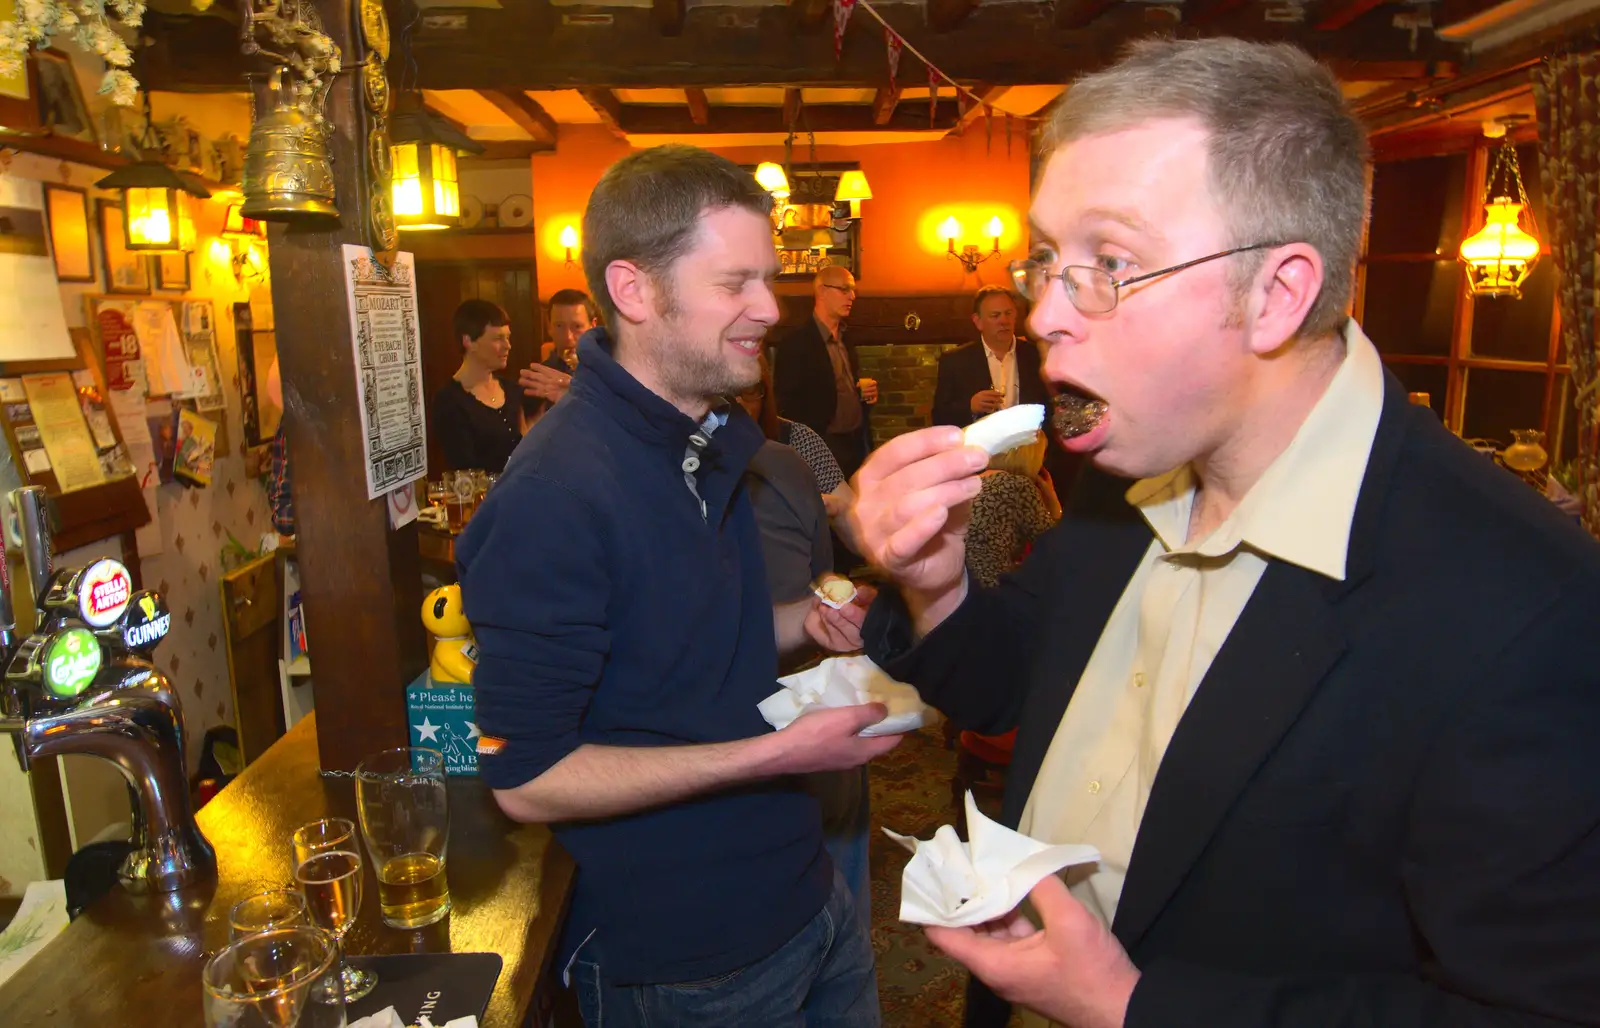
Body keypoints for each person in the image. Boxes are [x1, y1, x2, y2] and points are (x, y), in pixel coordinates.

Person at [847, 37, 1600, 1028]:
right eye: (1046, 262)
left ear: (1277, 294)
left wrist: (1130, 1004)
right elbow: (1002, 682)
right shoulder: (1126, 482)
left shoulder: (1528, 607)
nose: (1042, 313)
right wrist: (936, 582)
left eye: (1107, 263)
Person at [457, 143, 889, 1028]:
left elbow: (691, 645)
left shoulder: (706, 439)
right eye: (737, 284)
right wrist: (780, 754)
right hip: (688, 961)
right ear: (635, 290)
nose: (770, 308)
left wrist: (805, 618)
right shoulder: (553, 494)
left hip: (809, 897)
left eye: (768, 280)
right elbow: (526, 780)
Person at [771, 265, 878, 480]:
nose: (852, 296)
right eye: (844, 289)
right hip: (821, 442)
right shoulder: (796, 342)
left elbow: (840, 383)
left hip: (855, 442)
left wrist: (860, 390)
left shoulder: (846, 337)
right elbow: (786, 403)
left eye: (853, 290)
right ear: (821, 291)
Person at [931, 286, 1049, 428]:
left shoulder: (1037, 355)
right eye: (995, 315)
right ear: (978, 321)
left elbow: (1051, 408)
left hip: (1031, 446)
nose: (1004, 321)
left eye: (1008, 313)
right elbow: (939, 417)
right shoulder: (955, 362)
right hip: (979, 448)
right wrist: (970, 407)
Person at [432, 299, 523, 472]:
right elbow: (463, 470)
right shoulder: (449, 401)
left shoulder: (512, 390)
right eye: (498, 338)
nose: (508, 346)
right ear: (469, 341)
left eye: (508, 337)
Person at [964, 431, 1059, 590]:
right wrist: (1053, 502)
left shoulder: (974, 483)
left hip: (960, 587)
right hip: (990, 589)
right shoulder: (1018, 486)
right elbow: (1052, 546)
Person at [520, 288, 598, 419]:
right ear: (549, 327)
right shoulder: (537, 380)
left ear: (593, 326)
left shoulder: (610, 373)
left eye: (577, 326)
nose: (568, 337)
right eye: (559, 326)